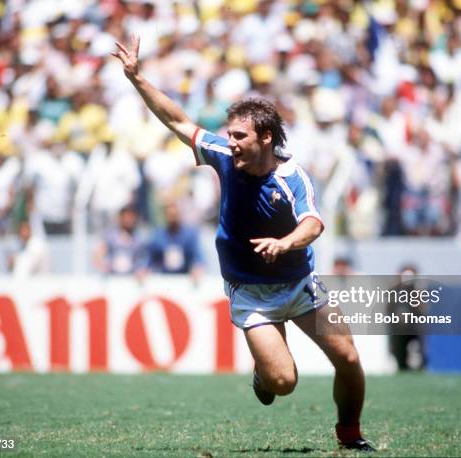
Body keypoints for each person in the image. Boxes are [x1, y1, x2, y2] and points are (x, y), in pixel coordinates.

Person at [112, 35, 375, 452]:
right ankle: (263, 369)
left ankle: (349, 434)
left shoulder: (291, 177)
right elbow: (178, 121)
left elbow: (313, 224)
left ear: (266, 138)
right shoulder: (221, 154)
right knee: (282, 384)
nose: (230, 141)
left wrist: (285, 243)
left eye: (239, 136)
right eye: (229, 134)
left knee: (348, 360)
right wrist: (137, 78)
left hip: (299, 284)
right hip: (250, 292)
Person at [146, 200, 204, 284]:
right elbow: (149, 259)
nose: (172, 218)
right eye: (170, 215)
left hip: (184, 279)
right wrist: (144, 269)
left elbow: (197, 257)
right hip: (163, 279)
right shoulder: (158, 235)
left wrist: (197, 268)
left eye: (174, 215)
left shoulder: (190, 235)